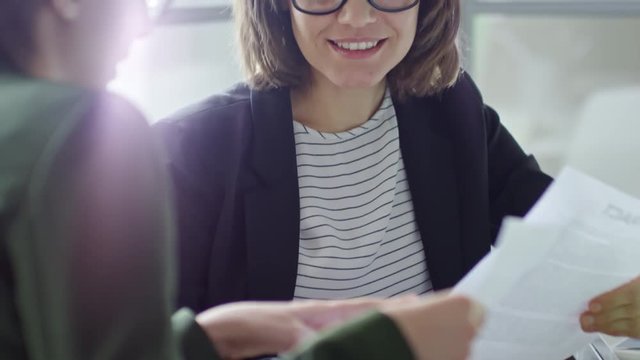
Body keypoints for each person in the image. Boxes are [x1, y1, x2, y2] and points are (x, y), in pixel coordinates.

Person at [0, 0, 485, 359]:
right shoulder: (81, 133)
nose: (145, 21)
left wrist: (217, 335)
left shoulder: (450, 107)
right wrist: (390, 343)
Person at [156, 0, 640, 340]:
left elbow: (569, 234)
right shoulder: (193, 150)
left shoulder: (450, 107)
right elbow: (156, 343)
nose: (357, 17)